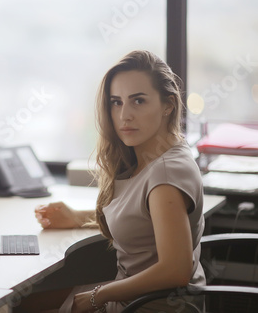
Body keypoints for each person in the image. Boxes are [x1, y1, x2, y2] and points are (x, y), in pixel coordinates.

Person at [34, 50, 205, 312]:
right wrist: (78, 217)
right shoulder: (156, 156)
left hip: (148, 306)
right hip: (132, 298)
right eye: (116, 102)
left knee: (19, 304)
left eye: (138, 101)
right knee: (24, 301)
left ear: (168, 105)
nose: (125, 115)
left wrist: (96, 295)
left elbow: (176, 270)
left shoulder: (165, 175)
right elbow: (144, 217)